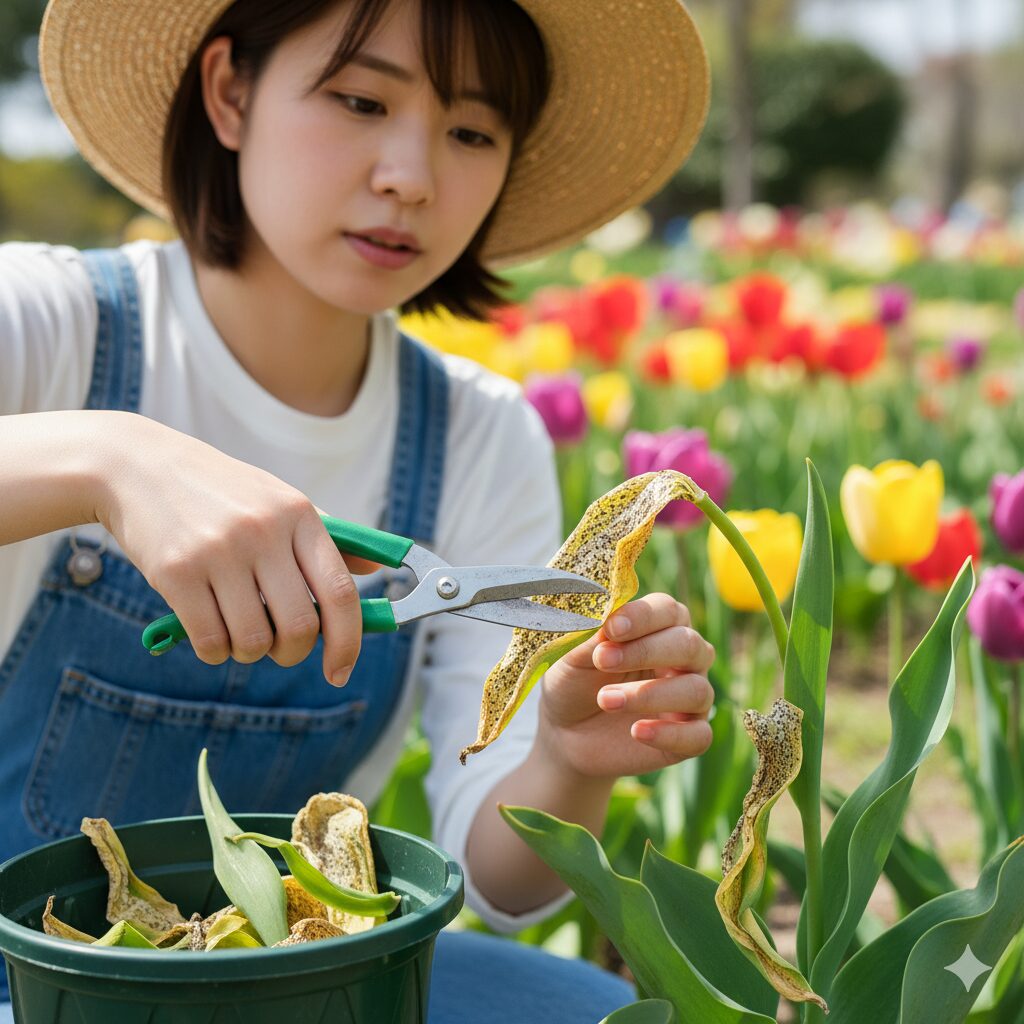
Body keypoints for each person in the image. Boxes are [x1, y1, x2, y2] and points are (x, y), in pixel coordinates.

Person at [0, 0, 712, 1019]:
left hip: (302, 983)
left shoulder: (476, 433)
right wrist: (108, 457)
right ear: (230, 93)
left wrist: (566, 759)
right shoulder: (51, 325)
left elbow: (503, 883)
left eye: (471, 131)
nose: (411, 176)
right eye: (361, 99)